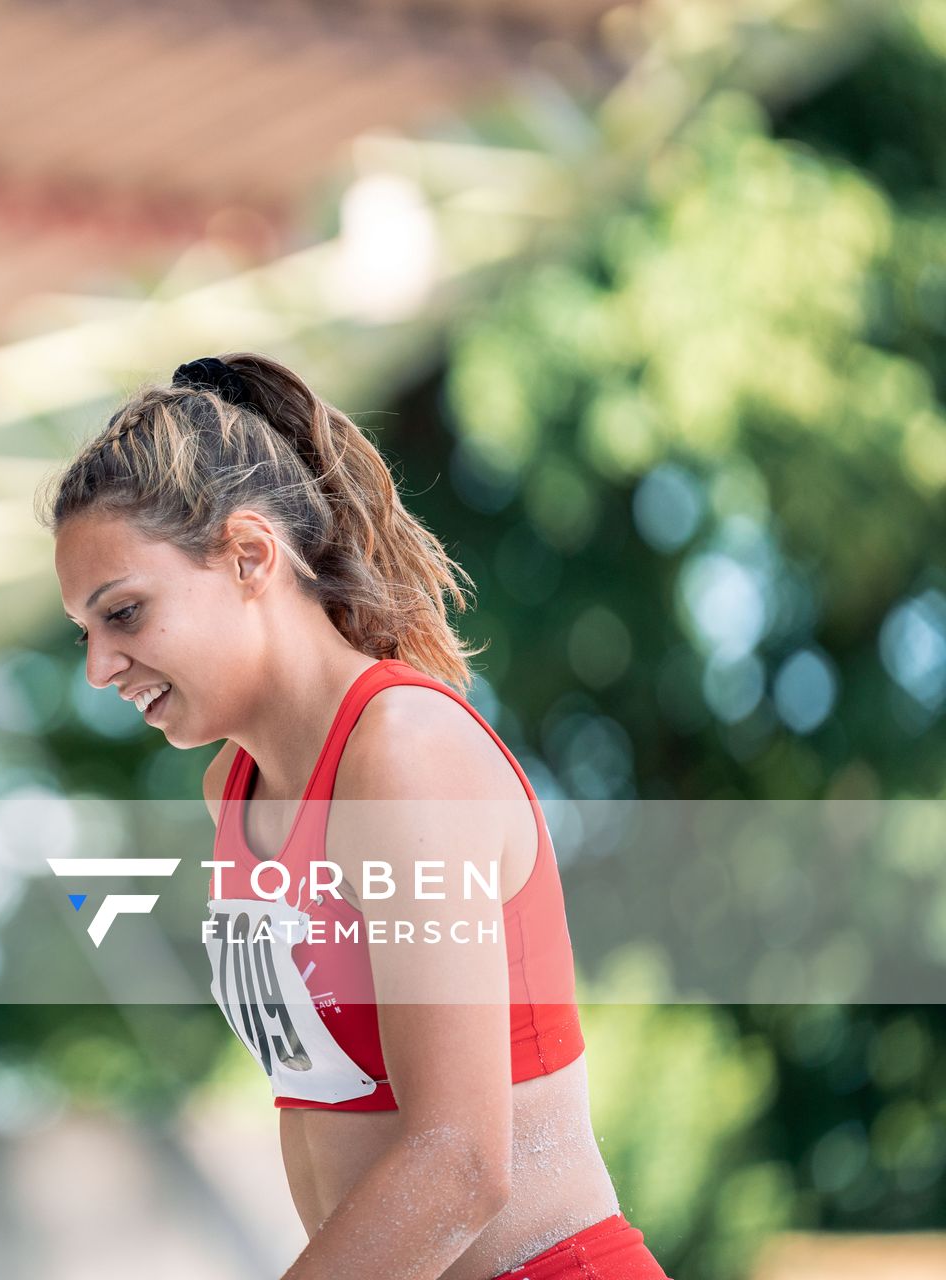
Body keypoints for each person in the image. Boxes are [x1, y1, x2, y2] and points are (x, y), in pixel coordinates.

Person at [44, 353, 671, 1279]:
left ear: (251, 556)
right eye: (84, 633)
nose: (99, 668)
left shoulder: (404, 752)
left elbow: (460, 1165)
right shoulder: (234, 791)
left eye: (125, 614)